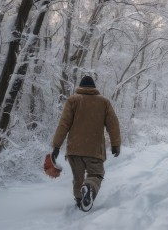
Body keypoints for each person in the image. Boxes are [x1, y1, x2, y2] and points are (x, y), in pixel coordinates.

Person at [51, 75, 121, 211]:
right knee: (96, 175)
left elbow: (63, 124)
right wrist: (115, 144)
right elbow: (113, 124)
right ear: (94, 87)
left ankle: (79, 200)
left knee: (78, 178)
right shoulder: (103, 102)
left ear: (80, 87)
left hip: (74, 149)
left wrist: (56, 146)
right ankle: (89, 188)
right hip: (94, 149)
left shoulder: (73, 100)